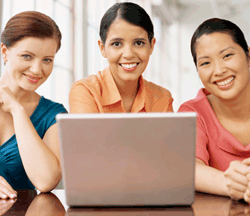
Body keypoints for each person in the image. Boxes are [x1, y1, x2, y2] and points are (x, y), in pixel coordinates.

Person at [178, 18, 250, 202]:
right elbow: (188, 168)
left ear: (248, 56)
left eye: (227, 56)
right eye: (205, 63)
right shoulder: (192, 113)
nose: (218, 70)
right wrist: (229, 183)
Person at [0, 11, 67, 198]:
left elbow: (45, 181)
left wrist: (17, 109)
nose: (37, 70)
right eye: (27, 56)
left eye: (47, 60)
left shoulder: (53, 115)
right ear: (5, 52)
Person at [69, 2, 173, 113]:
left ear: (151, 45)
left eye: (138, 43)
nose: (128, 54)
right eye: (117, 44)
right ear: (102, 48)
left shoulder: (162, 98)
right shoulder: (86, 91)